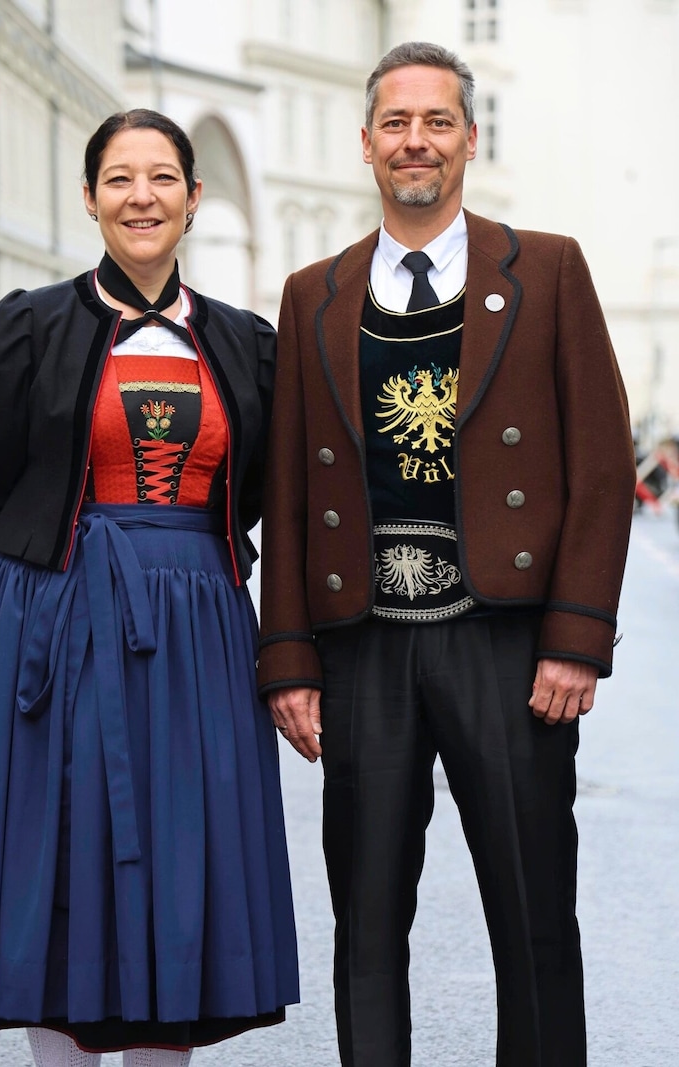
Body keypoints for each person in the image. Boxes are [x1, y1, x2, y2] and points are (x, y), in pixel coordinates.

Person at [258, 41, 635, 1067]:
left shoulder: (545, 268)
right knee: (365, 932)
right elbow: (287, 490)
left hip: (506, 649)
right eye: (394, 122)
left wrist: (574, 640)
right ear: (367, 143)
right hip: (364, 649)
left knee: (531, 921)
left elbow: (601, 465)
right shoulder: (312, 293)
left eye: (434, 121)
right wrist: (287, 657)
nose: (413, 140)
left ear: (467, 137)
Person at [0, 108, 299, 1067]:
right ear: (90, 198)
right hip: (56, 612)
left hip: (201, 627)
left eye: (163, 178)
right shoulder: (29, 327)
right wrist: (43, 579)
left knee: (183, 850)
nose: (143, 196)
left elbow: (263, 489)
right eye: (121, 179)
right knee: (59, 846)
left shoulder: (245, 342)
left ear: (194, 198)